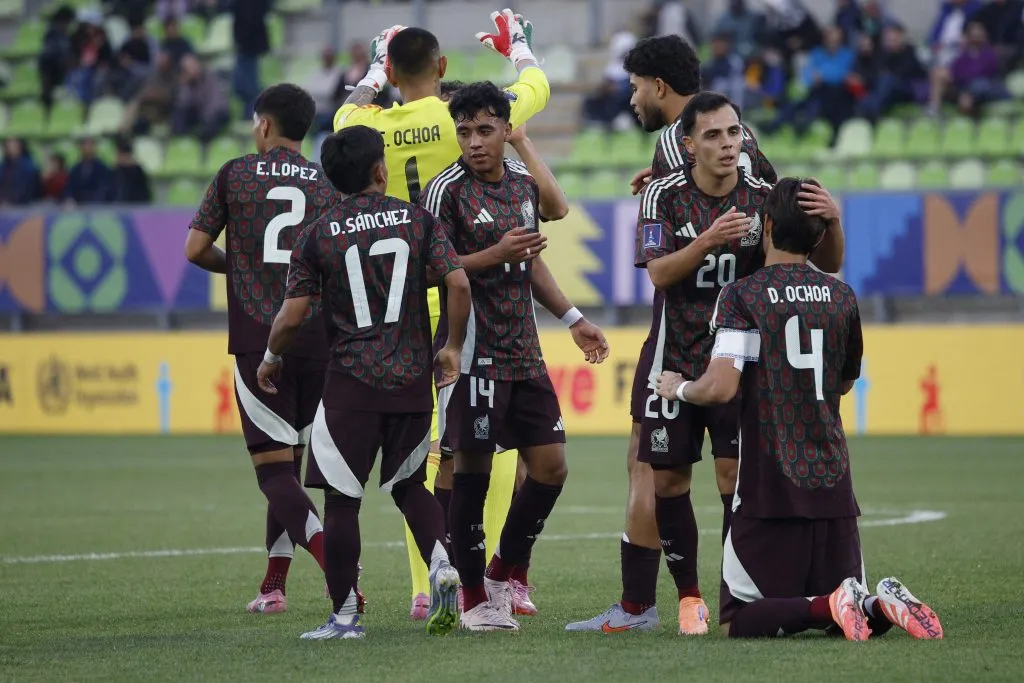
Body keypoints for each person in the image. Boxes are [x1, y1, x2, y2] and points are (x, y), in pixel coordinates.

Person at [568, 91, 844, 635]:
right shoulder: (662, 197)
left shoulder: (765, 197)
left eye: (734, 133)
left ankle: (732, 597)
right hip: (672, 357)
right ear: (688, 144)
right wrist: (709, 241)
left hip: (738, 358)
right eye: (713, 136)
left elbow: (824, 266)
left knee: (733, 477)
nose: (727, 145)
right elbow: (657, 273)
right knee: (667, 480)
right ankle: (687, 599)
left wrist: (832, 222)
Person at [653, 178, 943, 642]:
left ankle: (836, 603)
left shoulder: (743, 296)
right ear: (821, 235)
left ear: (766, 226)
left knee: (744, 618)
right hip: (833, 484)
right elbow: (845, 381)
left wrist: (679, 387)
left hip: (771, 488)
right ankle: (875, 603)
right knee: (847, 611)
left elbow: (721, 387)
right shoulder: (843, 298)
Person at [333, 11, 552, 620]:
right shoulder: (455, 119)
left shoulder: (368, 124)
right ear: (443, 69)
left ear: (392, 72)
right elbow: (534, 92)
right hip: (466, 295)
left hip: (397, 300)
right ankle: (504, 578)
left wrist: (373, 70)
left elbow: (344, 114)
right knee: (491, 445)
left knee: (422, 456)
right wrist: (521, 50)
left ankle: (426, 584)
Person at [257, 125, 472, 640]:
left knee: (341, 500)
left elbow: (292, 316)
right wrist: (452, 347)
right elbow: (458, 281)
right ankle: (443, 562)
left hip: (351, 385)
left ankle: (346, 616)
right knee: (410, 487)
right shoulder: (418, 220)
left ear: (332, 181)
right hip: (411, 383)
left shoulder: (318, 234)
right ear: (381, 171)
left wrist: (269, 358)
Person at [422, 81, 609, 632]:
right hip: (471, 354)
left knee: (551, 468)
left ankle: (502, 571)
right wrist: (492, 254)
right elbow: (432, 266)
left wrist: (573, 319)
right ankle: (475, 598)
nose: (474, 142)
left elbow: (530, 262)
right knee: (472, 476)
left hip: (524, 353)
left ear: (507, 129)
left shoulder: (523, 186)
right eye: (464, 132)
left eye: (484, 130)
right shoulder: (445, 191)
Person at [184, 84, 336, 616]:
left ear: (263, 125)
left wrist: (241, 265)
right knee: (289, 464)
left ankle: (335, 559)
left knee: (273, 471)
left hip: (258, 337)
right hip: (318, 337)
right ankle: (273, 587)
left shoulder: (234, 173)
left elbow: (195, 248)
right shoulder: (327, 179)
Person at [107, 138, 151, 203]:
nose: (117, 157)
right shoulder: (114, 172)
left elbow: (144, 195)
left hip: (133, 207)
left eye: (120, 155)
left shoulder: (137, 173)